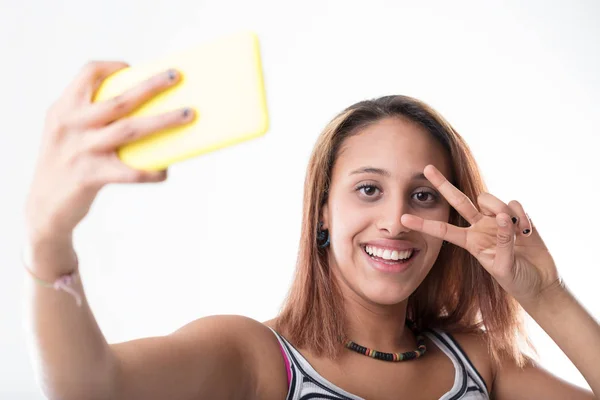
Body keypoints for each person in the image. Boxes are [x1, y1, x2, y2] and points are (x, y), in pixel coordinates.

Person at [23, 61, 599, 400]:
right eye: (368, 189)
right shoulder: (256, 356)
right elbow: (87, 388)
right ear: (322, 210)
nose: (397, 220)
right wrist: (48, 239)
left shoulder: (478, 360)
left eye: (422, 195)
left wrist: (544, 292)